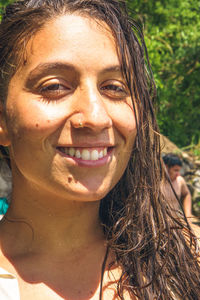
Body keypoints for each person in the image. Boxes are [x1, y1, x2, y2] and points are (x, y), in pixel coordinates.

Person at [0, 0, 199, 299]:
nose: (95, 117)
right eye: (54, 86)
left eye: (114, 87)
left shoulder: (183, 265)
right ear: (2, 119)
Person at [162, 153, 194, 219]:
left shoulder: (180, 181)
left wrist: (188, 214)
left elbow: (186, 194)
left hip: (176, 222)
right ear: (166, 167)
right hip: (160, 224)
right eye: (175, 170)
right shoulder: (155, 184)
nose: (178, 174)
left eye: (179, 170)